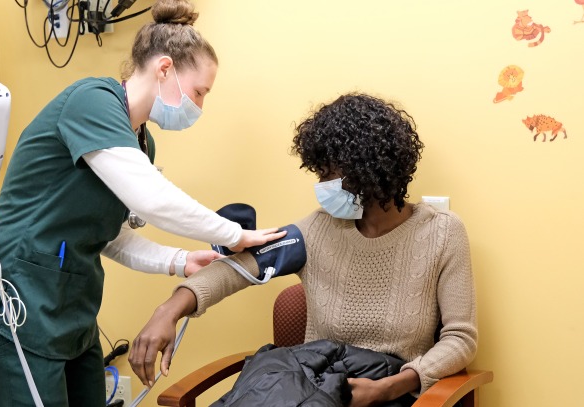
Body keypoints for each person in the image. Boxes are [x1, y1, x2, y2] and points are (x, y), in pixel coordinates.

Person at [0, 1, 285, 406]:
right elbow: (152, 200)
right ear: (165, 69)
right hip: (17, 302)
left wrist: (180, 261)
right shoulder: (91, 101)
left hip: (71, 311)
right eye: (199, 92)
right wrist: (236, 235)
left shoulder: (140, 141)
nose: (200, 107)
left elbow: (111, 235)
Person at [130, 93, 478, 406]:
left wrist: (392, 387)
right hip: (316, 389)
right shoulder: (317, 230)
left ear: (369, 169)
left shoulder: (442, 233)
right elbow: (236, 270)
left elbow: (460, 339)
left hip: (394, 394)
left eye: (330, 175)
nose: (322, 187)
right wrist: (169, 309)